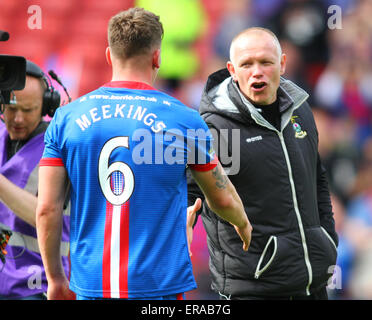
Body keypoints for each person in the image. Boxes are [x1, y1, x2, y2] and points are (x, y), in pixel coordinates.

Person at [36, 7, 252, 301]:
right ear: (157, 57)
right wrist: (242, 221)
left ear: (109, 56)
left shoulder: (66, 118)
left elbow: (47, 209)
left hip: (90, 285)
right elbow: (222, 198)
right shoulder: (184, 120)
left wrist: (55, 279)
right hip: (157, 288)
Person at [187, 27, 338, 300]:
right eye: (247, 64)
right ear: (232, 70)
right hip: (253, 288)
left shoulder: (300, 109)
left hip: (312, 283)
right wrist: (181, 221)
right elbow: (192, 194)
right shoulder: (216, 128)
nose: (257, 71)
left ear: (282, 64)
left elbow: (317, 179)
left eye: (266, 62)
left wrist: (327, 240)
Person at [0, 60, 70, 299]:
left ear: (46, 107)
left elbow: (46, 215)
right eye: (11, 109)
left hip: (36, 288)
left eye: (28, 110)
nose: (18, 118)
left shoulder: (59, 149)